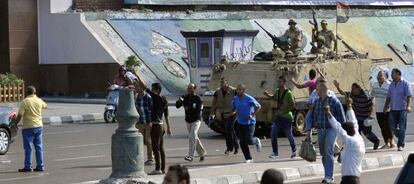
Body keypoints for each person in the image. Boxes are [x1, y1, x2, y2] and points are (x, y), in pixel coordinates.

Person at [312, 80, 345, 184]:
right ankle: (328, 173)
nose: (316, 91)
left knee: (328, 152)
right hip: (321, 130)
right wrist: (314, 124)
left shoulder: (334, 101)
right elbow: (315, 115)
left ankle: (328, 177)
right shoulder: (317, 101)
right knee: (323, 154)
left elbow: (342, 118)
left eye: (317, 89)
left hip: (331, 130)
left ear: (322, 90)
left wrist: (340, 131)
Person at [327, 97, 365, 184]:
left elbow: (338, 128)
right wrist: (349, 107)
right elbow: (354, 121)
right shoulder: (357, 137)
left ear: (346, 132)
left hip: (350, 180)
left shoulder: (351, 141)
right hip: (352, 179)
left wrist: (329, 113)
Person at [333, 81, 380, 150]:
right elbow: (343, 93)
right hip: (357, 118)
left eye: (354, 89)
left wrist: (370, 115)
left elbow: (371, 105)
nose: (352, 90)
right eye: (352, 89)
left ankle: (376, 141)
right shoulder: (352, 94)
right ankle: (359, 147)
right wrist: (337, 87)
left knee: (367, 133)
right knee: (357, 133)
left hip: (365, 118)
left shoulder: (365, 96)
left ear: (358, 89)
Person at [13, 86, 47, 172]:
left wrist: (15, 123)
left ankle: (28, 166)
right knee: (39, 147)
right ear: (34, 92)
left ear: (26, 92)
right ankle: (40, 166)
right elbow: (45, 105)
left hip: (28, 127)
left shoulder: (25, 102)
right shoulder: (39, 100)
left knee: (28, 148)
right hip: (39, 126)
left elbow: (20, 114)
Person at [264, 76, 296, 159]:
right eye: (278, 81)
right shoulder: (278, 91)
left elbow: (293, 105)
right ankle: (275, 153)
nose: (279, 83)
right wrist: (267, 94)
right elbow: (273, 97)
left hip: (287, 117)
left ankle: (294, 150)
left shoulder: (288, 93)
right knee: (273, 133)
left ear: (284, 83)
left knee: (289, 135)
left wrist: (284, 111)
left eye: (280, 82)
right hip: (278, 117)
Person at [176, 83, 207, 162]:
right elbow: (177, 106)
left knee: (192, 136)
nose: (189, 90)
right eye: (188, 88)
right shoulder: (185, 97)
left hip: (196, 120)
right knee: (194, 137)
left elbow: (198, 110)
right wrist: (179, 101)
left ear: (194, 89)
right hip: (188, 121)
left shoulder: (198, 99)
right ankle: (202, 154)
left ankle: (191, 156)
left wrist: (188, 107)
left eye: (191, 88)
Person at [231, 84, 262, 163]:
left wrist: (252, 114)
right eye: (237, 89)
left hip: (250, 123)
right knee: (242, 142)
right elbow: (234, 108)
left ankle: (256, 140)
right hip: (240, 122)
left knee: (249, 140)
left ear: (243, 91)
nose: (238, 91)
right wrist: (233, 111)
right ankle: (248, 158)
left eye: (240, 90)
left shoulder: (249, 98)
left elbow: (258, 106)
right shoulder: (235, 98)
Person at [383, 68, 412, 151]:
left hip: (402, 109)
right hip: (393, 109)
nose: (391, 75)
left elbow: (409, 96)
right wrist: (385, 106)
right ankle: (401, 135)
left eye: (393, 73)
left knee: (402, 127)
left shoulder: (405, 83)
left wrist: (408, 106)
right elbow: (389, 97)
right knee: (392, 126)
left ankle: (401, 144)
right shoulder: (391, 84)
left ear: (398, 74)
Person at [148, 83, 172, 175]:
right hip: (161, 125)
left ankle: (158, 168)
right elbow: (166, 115)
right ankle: (162, 169)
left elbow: (144, 86)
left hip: (156, 125)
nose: (151, 90)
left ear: (157, 90)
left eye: (152, 89)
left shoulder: (156, 97)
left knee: (155, 147)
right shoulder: (163, 99)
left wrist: (136, 74)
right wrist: (169, 127)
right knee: (161, 148)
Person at [210, 77, 239, 155]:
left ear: (227, 83)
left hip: (232, 113)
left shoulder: (234, 91)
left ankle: (229, 148)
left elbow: (238, 101)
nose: (222, 84)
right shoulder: (217, 92)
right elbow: (214, 103)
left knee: (228, 129)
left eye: (223, 82)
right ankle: (236, 146)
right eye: (221, 82)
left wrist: (236, 111)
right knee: (230, 130)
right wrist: (212, 112)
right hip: (223, 113)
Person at [371, 70, 394, 149]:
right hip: (378, 109)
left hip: (388, 109)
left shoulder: (389, 85)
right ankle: (386, 142)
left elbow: (392, 97)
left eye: (381, 75)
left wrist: (388, 106)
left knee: (388, 126)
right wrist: (372, 108)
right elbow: (373, 96)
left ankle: (392, 141)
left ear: (385, 77)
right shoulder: (375, 85)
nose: (379, 77)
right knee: (382, 127)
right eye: (378, 75)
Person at [135, 83, 154, 165]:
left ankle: (150, 158)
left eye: (137, 87)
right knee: (141, 141)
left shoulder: (148, 97)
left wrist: (151, 121)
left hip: (148, 122)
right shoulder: (136, 97)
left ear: (142, 88)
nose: (136, 88)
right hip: (140, 122)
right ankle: (140, 158)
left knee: (148, 141)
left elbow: (152, 109)